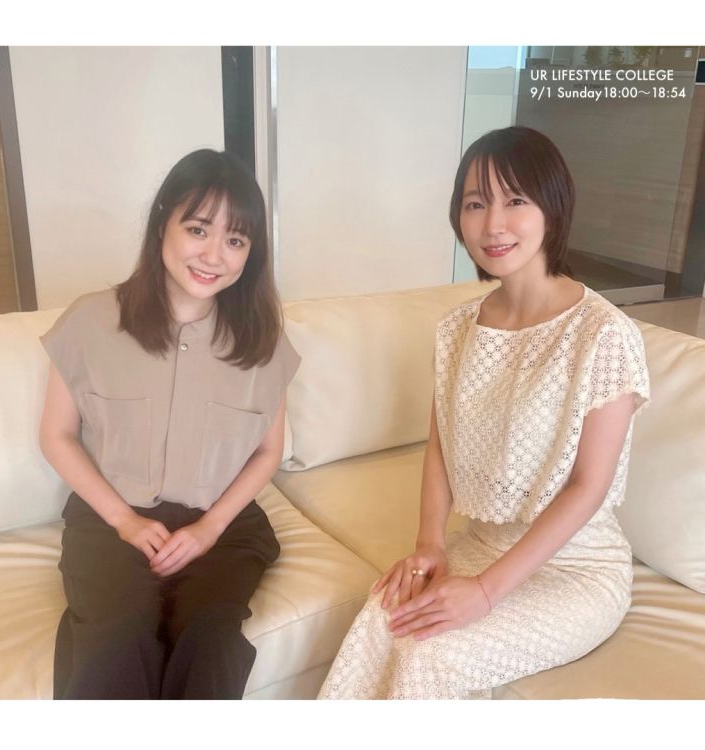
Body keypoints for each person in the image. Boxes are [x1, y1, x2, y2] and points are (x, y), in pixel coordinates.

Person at [318, 126, 650, 700]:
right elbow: (440, 446)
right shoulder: (456, 330)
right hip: (478, 545)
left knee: (431, 651)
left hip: (577, 569)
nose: (493, 223)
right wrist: (430, 544)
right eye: (475, 204)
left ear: (553, 208)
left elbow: (588, 487)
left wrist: (487, 591)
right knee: (381, 618)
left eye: (515, 200)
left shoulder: (603, 335)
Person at [39, 149, 300, 700]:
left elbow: (267, 452)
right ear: (163, 223)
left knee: (210, 645)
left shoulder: (263, 340)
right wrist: (125, 522)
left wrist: (209, 529)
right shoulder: (89, 321)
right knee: (115, 638)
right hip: (110, 520)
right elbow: (56, 436)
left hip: (222, 527)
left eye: (235, 240)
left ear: (251, 253)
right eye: (198, 229)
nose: (214, 255)